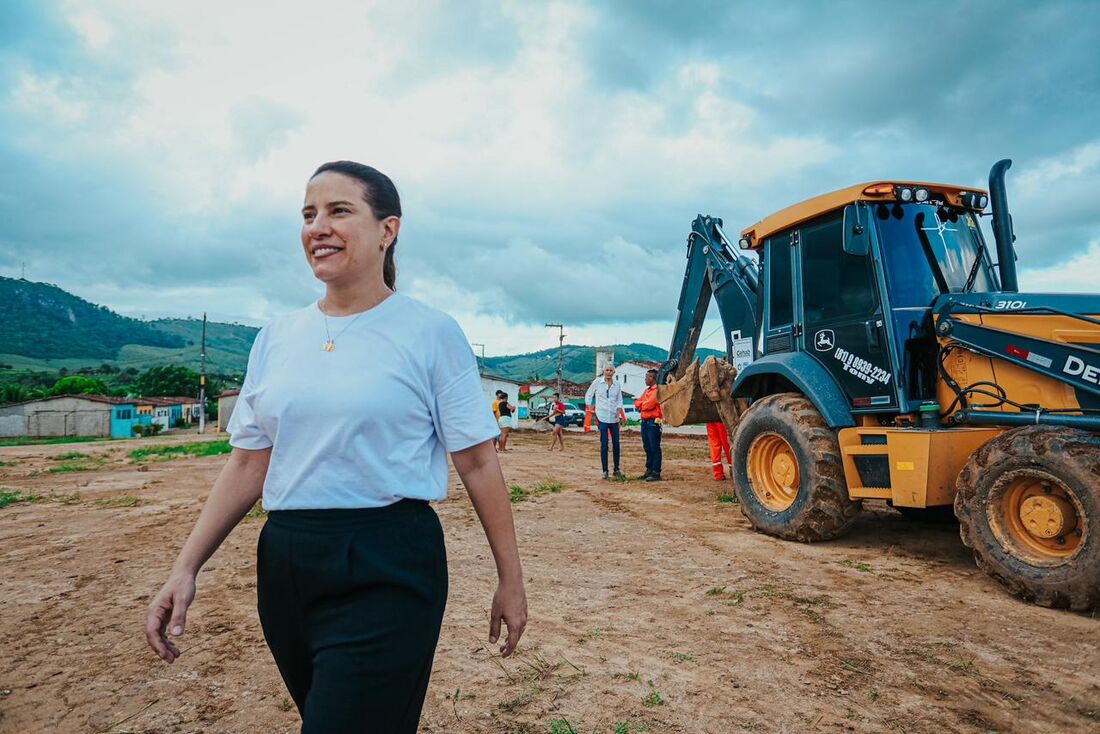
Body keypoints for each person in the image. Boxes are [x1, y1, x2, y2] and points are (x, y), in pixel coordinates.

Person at [144, 161, 527, 733]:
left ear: (387, 231)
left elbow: (476, 460)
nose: (317, 226)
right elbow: (250, 461)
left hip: (388, 560)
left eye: (338, 211)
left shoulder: (429, 332)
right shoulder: (275, 337)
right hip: (288, 564)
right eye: (308, 215)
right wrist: (185, 568)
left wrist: (511, 579)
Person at [585, 364, 625, 479]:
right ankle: (605, 471)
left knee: (616, 443)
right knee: (604, 444)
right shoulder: (597, 382)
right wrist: (590, 407)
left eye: (611, 370)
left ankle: (616, 469)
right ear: (604, 371)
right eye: (607, 370)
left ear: (614, 372)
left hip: (614, 417)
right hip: (602, 416)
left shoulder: (617, 384)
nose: (608, 372)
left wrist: (618, 410)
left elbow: (619, 399)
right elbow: (589, 394)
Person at [632, 369, 662, 481]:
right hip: (645, 422)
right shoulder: (647, 391)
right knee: (647, 447)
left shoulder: (657, 390)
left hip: (653, 422)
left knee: (654, 447)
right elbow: (637, 403)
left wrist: (641, 405)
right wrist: (641, 404)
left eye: (647, 377)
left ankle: (656, 472)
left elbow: (649, 404)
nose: (645, 379)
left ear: (652, 378)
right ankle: (649, 470)